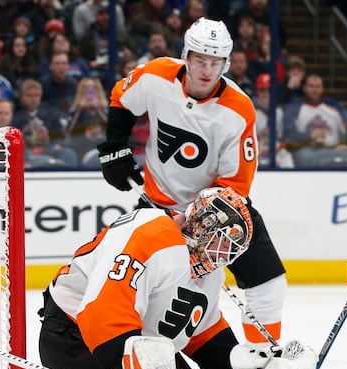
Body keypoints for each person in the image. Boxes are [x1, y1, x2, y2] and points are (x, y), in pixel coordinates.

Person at [33, 187, 317, 369]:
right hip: (74, 337)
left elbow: (200, 334)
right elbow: (102, 309)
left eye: (232, 250)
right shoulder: (151, 231)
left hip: (139, 346)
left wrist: (246, 362)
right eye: (221, 242)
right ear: (202, 223)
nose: (222, 255)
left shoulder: (207, 273)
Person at [98, 17, 288, 344]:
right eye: (200, 59)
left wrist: (197, 226)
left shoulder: (239, 110)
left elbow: (235, 189)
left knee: (269, 282)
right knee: (149, 294)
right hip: (156, 209)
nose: (206, 70)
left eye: (216, 62)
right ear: (185, 55)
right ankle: (129, 356)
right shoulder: (156, 74)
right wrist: (115, 146)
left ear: (226, 64)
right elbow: (122, 96)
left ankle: (264, 362)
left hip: (216, 213)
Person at [282, 73, 347, 168]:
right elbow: (288, 133)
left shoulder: (334, 107)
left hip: (333, 149)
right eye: (311, 86)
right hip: (306, 150)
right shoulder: (294, 108)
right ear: (304, 88)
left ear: (322, 88)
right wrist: (309, 135)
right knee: (307, 161)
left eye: (318, 86)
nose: (314, 90)